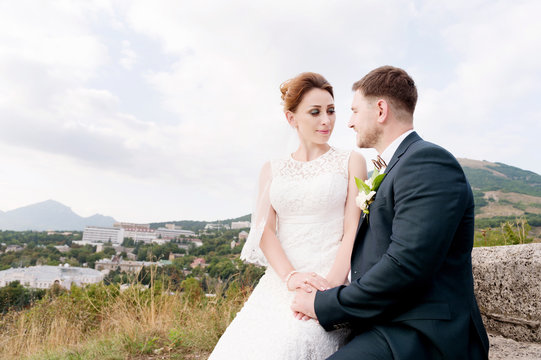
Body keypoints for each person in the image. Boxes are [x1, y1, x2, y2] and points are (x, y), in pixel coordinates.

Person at [292, 66, 490, 359]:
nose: (348, 122)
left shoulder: (428, 162)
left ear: (381, 110)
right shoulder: (394, 167)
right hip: (385, 322)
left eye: (355, 111)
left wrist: (322, 304)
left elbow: (405, 266)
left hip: (420, 334)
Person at [208, 72, 367, 360]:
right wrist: (290, 277)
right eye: (315, 112)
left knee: (289, 346)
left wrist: (328, 290)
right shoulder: (273, 168)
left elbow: (352, 228)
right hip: (281, 282)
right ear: (291, 118)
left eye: (331, 111)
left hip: (329, 279)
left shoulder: (351, 161)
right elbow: (265, 230)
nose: (327, 120)